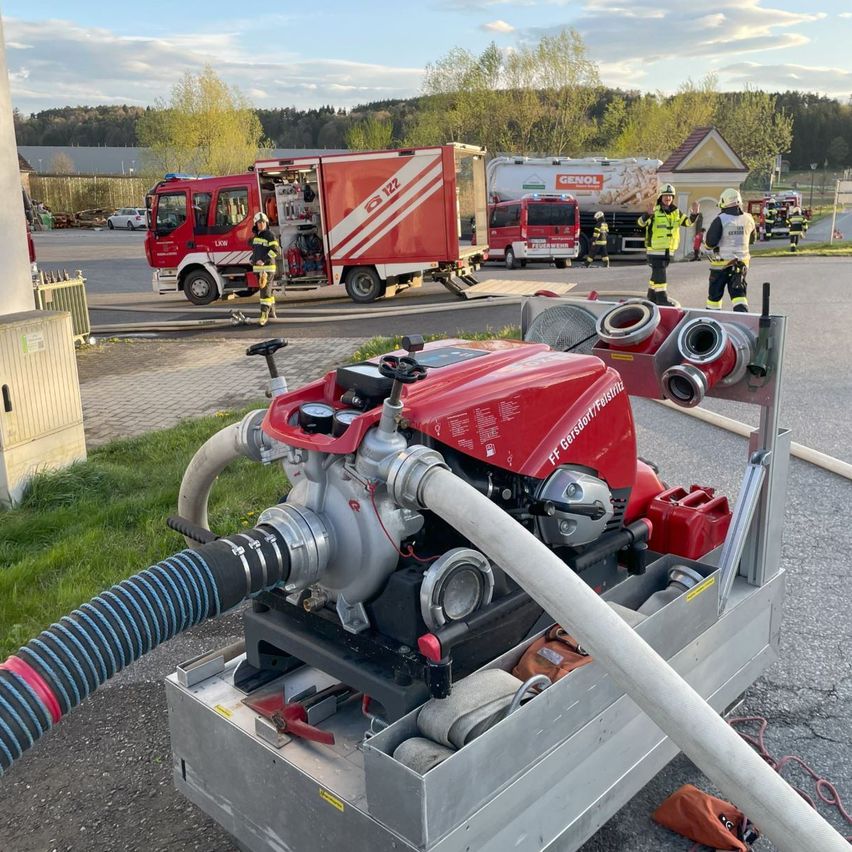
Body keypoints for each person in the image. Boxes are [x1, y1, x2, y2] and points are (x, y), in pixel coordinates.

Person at [637, 184, 698, 306]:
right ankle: (662, 299)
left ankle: (651, 295)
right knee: (660, 274)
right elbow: (640, 223)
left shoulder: (676, 212)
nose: (668, 198)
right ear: (661, 196)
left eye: (670, 196)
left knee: (656, 274)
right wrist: (647, 215)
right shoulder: (655, 210)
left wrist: (694, 214)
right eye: (666, 195)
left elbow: (688, 223)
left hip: (667, 250)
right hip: (655, 250)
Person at [702, 188, 755, 312]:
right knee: (739, 296)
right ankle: (743, 321)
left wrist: (709, 246)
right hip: (741, 265)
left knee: (714, 298)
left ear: (723, 203)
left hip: (721, 266)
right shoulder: (749, 218)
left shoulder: (720, 219)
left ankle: (712, 323)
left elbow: (710, 243)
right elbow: (752, 240)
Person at [249, 212, 280, 326]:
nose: (261, 224)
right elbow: (257, 251)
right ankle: (272, 312)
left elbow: (276, 250)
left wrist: (263, 260)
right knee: (268, 291)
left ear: (266, 223)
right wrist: (252, 259)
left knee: (264, 293)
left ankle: (264, 315)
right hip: (259, 269)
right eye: (259, 222)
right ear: (255, 224)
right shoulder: (257, 236)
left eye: (263, 222)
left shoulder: (270, 235)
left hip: (267, 269)